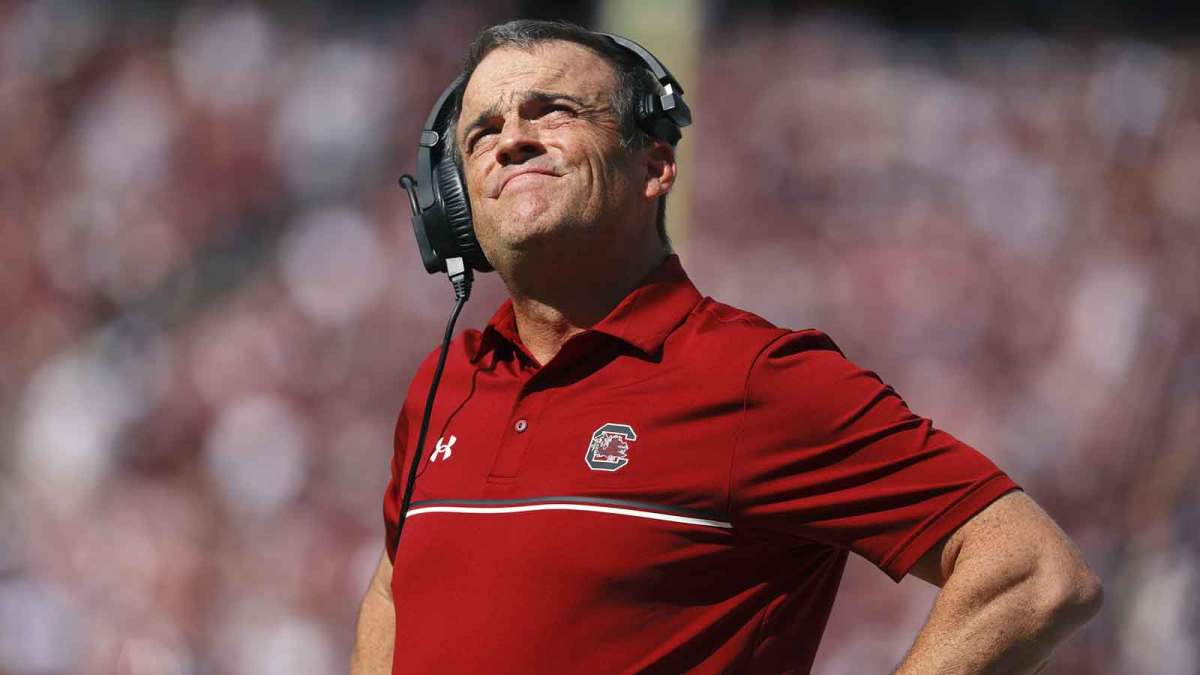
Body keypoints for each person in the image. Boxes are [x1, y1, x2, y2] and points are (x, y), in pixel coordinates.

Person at [351, 20, 1102, 675]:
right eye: (481, 132)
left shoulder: (757, 376)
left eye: (554, 111)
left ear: (654, 164)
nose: (512, 137)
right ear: (453, 205)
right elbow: (395, 588)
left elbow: (1033, 572)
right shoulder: (445, 381)